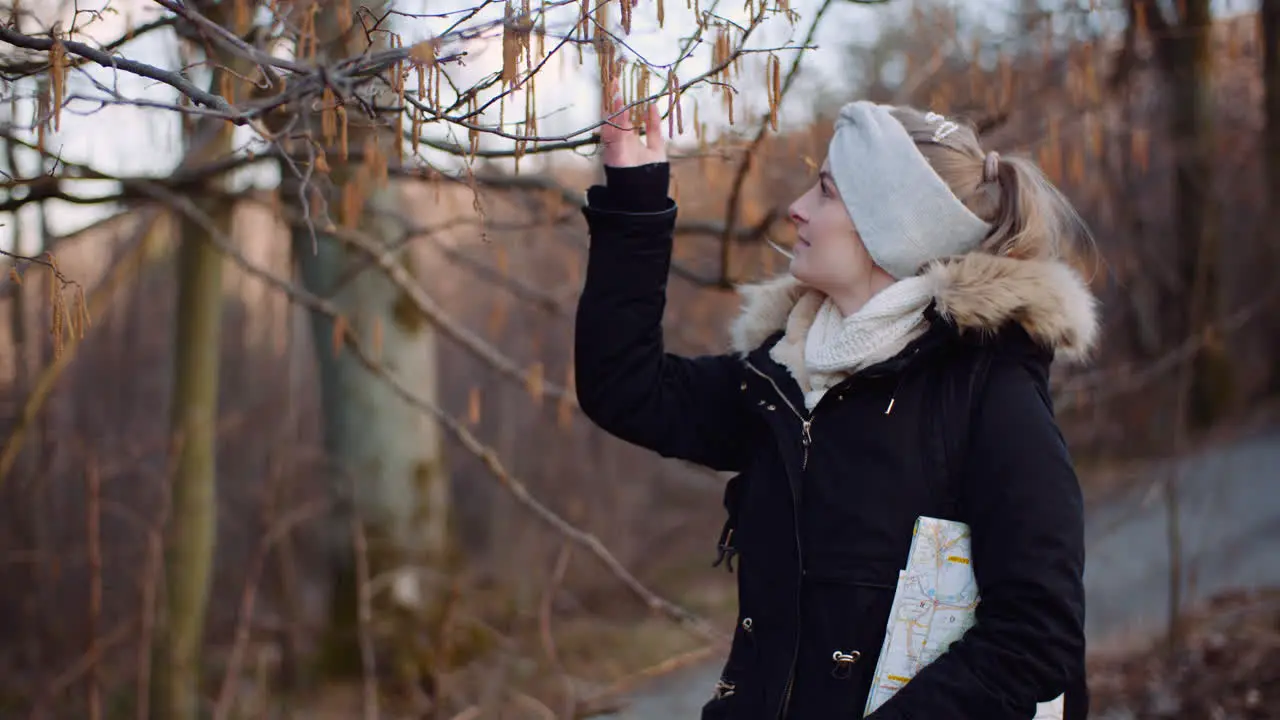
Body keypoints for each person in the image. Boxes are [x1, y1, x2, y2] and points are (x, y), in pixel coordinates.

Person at [574, 88, 1098, 720]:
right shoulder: (779, 383)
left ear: (891, 227)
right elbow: (624, 388)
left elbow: (1036, 640)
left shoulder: (990, 396)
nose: (796, 209)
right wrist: (635, 195)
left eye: (825, 191)